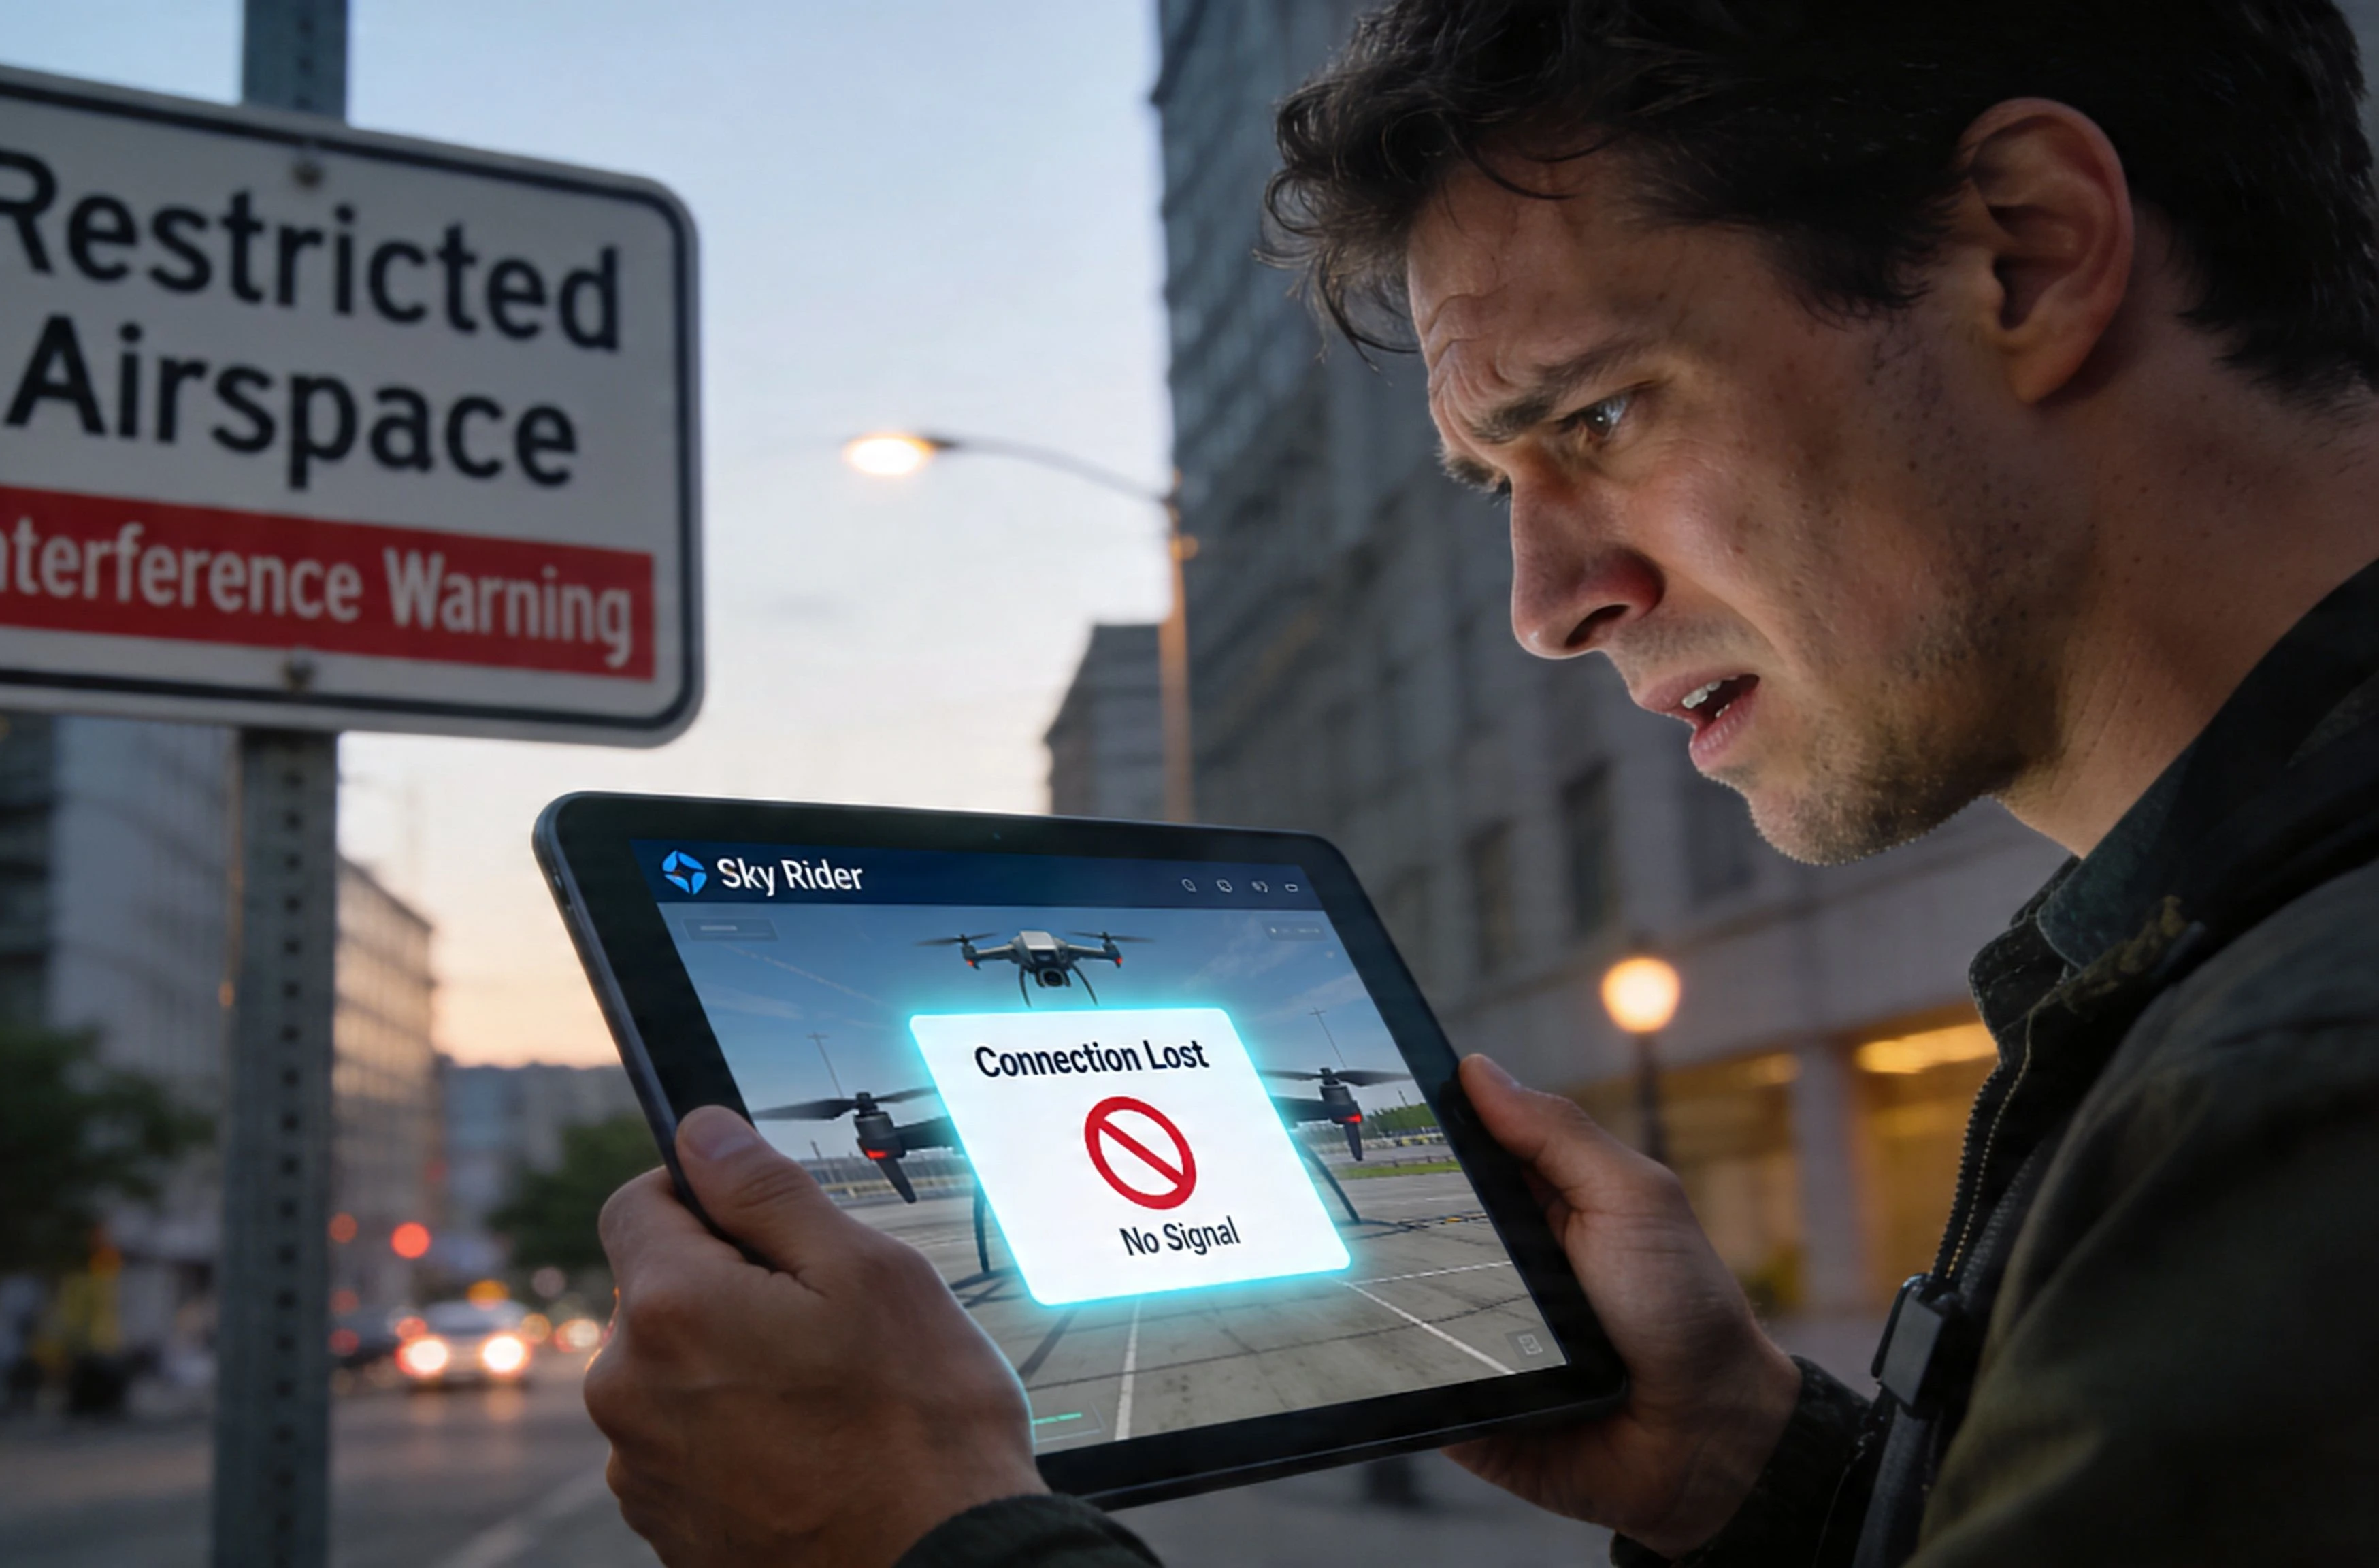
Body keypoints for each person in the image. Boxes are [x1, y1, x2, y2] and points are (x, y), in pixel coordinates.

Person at [584, 2, 2379, 1563]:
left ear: (2027, 251)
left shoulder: (2300, 1076)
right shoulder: (2232, 978)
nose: (1547, 607)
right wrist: (1757, 1473)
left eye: (1600, 416)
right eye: (1494, 483)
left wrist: (918, 1548)